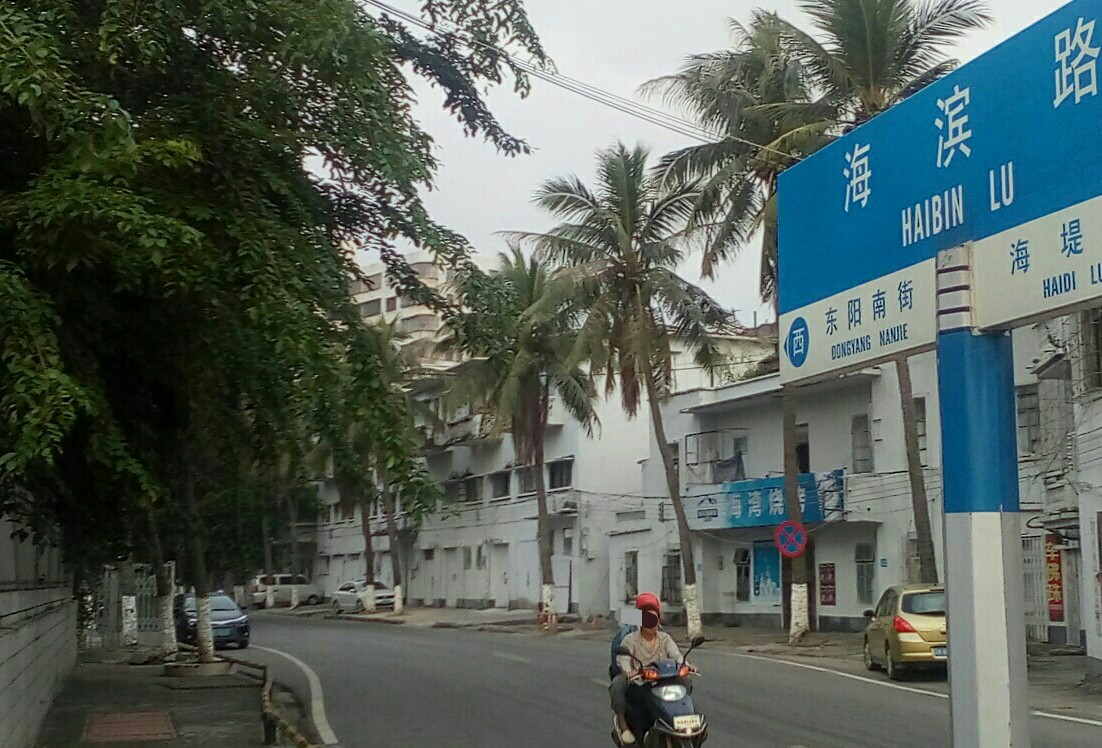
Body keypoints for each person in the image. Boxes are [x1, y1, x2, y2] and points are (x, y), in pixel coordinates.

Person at [609, 592, 692, 745]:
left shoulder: (665, 638)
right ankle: (623, 725)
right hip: (640, 682)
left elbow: (677, 656)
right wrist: (629, 672)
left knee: (685, 681)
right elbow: (623, 660)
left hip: (663, 681)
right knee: (617, 684)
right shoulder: (628, 638)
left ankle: (687, 720)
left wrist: (686, 666)